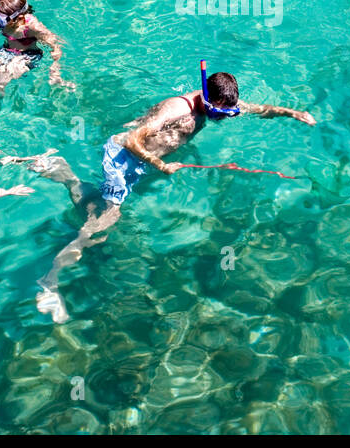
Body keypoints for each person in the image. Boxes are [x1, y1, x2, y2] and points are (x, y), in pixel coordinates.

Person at [31, 61, 316, 322]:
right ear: (206, 97)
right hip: (121, 156)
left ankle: (63, 172)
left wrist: (293, 113)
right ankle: (49, 280)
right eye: (218, 111)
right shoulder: (176, 109)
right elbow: (131, 139)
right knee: (104, 222)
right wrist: (160, 164)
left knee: (96, 208)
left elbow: (255, 109)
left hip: (141, 163)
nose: (222, 117)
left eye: (225, 112)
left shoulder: (216, 99)